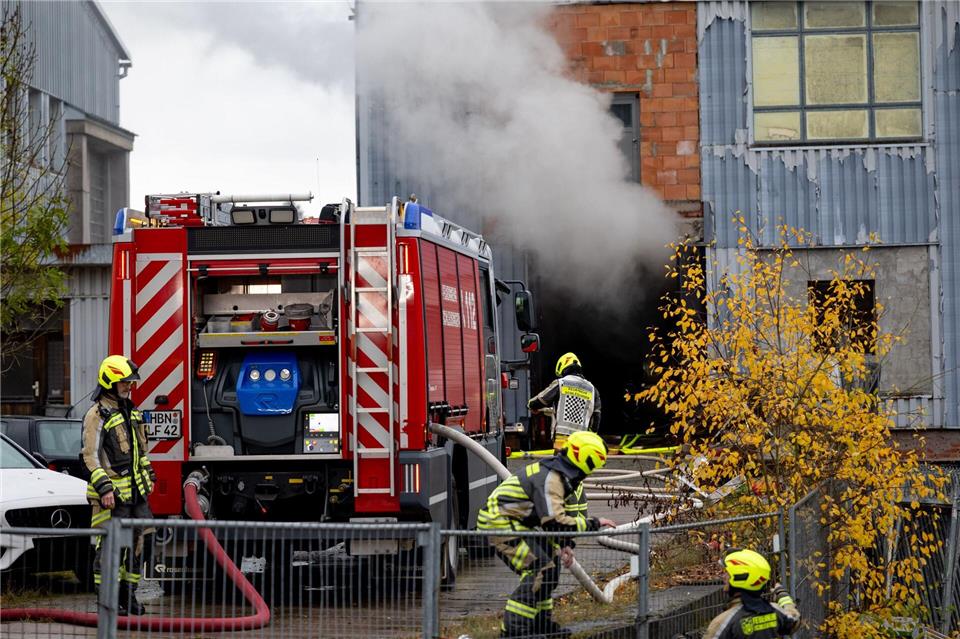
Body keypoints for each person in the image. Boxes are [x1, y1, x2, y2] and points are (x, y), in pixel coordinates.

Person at [478, 431, 617, 638]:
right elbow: (555, 521)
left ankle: (541, 626)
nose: (590, 473)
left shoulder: (555, 472)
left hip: (515, 522)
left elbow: (549, 519)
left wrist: (563, 544)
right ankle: (514, 631)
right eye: (594, 466)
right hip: (498, 524)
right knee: (539, 569)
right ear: (587, 460)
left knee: (549, 570)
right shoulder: (552, 479)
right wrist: (594, 523)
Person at [80, 355, 156, 616]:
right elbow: (89, 456)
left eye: (130, 382)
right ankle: (107, 602)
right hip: (112, 498)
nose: (129, 387)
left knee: (137, 548)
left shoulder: (131, 411)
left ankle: (128, 598)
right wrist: (105, 489)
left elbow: (141, 452)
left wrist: (149, 476)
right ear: (110, 381)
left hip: (136, 495)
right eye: (124, 382)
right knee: (111, 549)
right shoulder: (96, 415)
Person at [701, 549, 801, 639]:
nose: (723, 576)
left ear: (741, 577)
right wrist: (782, 595)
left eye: (727, 573)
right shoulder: (774, 612)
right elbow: (794, 619)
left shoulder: (723, 622)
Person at [528, 353, 601, 451]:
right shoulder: (592, 389)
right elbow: (596, 417)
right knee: (577, 465)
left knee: (561, 464)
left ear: (563, 367)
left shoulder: (561, 383)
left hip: (562, 437)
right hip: (581, 441)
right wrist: (590, 437)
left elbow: (540, 400)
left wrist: (531, 405)